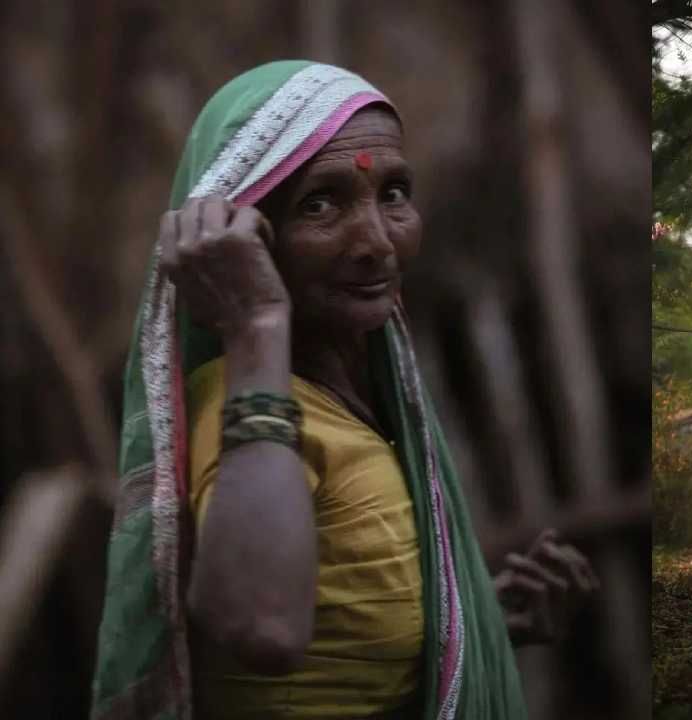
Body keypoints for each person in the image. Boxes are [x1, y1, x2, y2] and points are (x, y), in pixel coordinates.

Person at [90, 60, 598, 720]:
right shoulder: (242, 404)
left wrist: (466, 624)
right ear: (244, 237)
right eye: (321, 204)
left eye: (393, 193)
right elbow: (262, 628)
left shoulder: (352, 403)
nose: (377, 242)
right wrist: (256, 322)